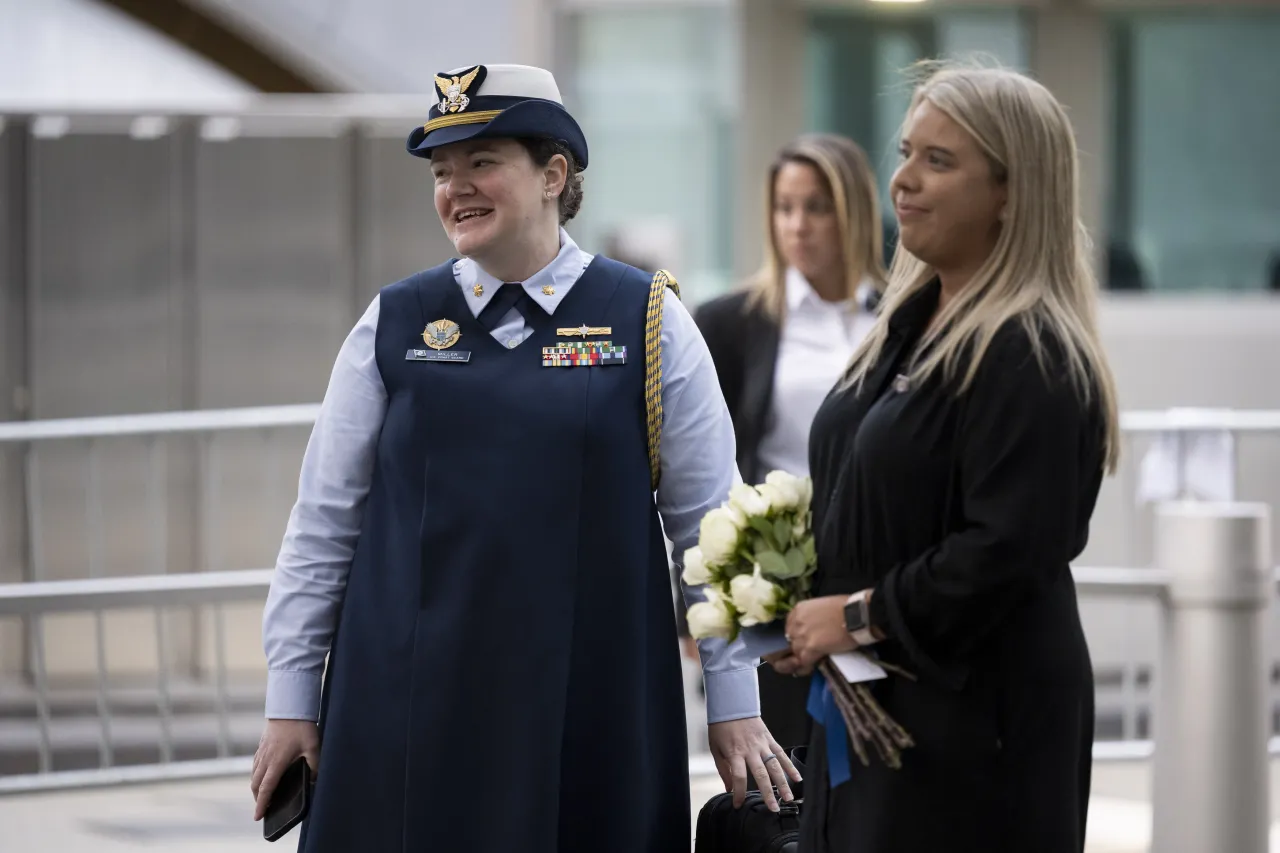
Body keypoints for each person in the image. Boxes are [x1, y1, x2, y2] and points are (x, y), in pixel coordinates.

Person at [247, 63, 799, 853]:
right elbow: (323, 524)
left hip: (589, 702)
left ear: (554, 174)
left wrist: (735, 702)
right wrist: (291, 697)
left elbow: (714, 522)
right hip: (403, 709)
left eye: (482, 163)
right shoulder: (394, 322)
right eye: (442, 171)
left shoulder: (648, 320)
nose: (455, 187)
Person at [765, 61, 1121, 852]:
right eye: (906, 152)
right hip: (877, 723)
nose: (902, 181)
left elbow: (1007, 550)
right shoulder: (908, 328)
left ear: (1010, 191)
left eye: (940, 160)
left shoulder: (1035, 352)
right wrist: (798, 603)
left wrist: (854, 617)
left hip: (975, 735)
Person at [690, 133, 887, 749]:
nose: (797, 226)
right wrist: (694, 613)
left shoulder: (902, 315)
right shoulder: (731, 321)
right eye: (785, 208)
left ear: (853, 212)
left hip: (878, 576)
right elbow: (694, 471)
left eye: (817, 207)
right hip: (773, 584)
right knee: (786, 783)